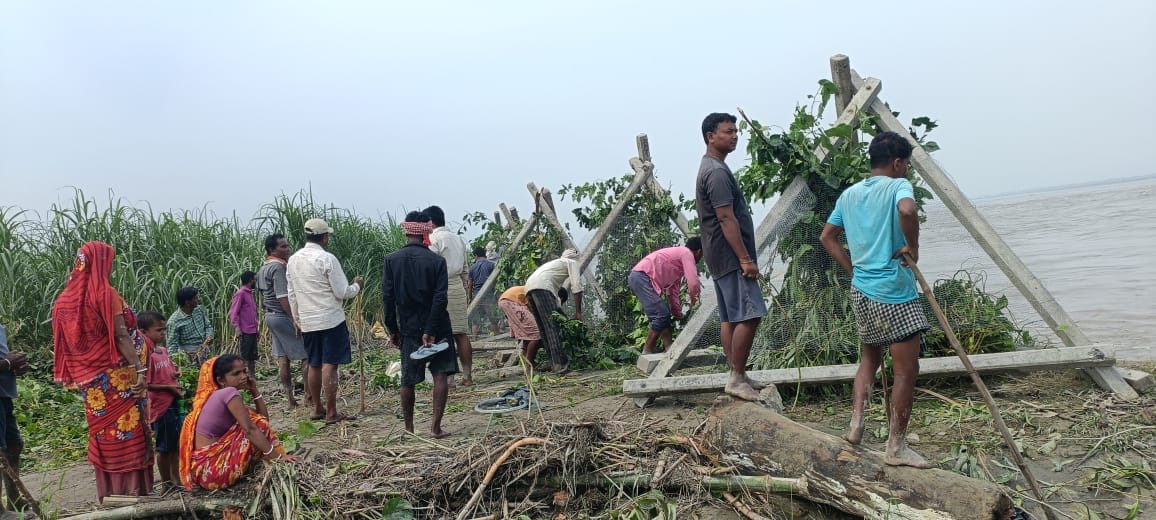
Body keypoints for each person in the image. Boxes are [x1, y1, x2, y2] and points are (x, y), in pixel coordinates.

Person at [820, 131, 932, 469]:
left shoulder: (850, 194)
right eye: (907, 165)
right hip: (894, 292)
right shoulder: (898, 186)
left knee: (870, 360)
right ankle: (896, 446)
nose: (907, 171)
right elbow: (908, 210)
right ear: (898, 163)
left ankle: (855, 426)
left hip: (863, 290)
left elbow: (827, 237)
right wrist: (912, 246)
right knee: (906, 370)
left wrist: (852, 268)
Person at [51, 241, 153, 501]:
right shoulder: (105, 293)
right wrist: (139, 369)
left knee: (104, 433)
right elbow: (120, 335)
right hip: (118, 377)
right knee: (129, 432)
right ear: (101, 263)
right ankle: (132, 492)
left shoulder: (64, 300)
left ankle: (109, 492)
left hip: (92, 385)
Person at [696, 112, 767, 402]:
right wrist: (745, 259)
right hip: (729, 255)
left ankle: (736, 373)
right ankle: (736, 377)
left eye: (736, 130)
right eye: (728, 131)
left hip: (718, 254)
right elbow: (726, 218)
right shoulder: (715, 172)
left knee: (730, 317)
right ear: (711, 137)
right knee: (751, 314)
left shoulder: (712, 168)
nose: (735, 135)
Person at [382, 211, 459, 438]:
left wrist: (393, 329)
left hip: (408, 326)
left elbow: (388, 298)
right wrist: (431, 330)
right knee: (440, 374)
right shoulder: (437, 261)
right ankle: (435, 427)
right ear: (427, 230)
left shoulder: (392, 260)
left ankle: (409, 428)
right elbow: (440, 298)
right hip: (437, 325)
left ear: (406, 231)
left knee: (408, 378)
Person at [178, 354, 296, 490]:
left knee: (257, 423)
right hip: (212, 471)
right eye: (236, 373)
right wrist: (278, 458)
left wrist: (254, 390)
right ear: (221, 380)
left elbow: (264, 420)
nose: (244, 376)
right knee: (255, 426)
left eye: (244, 371)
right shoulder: (229, 392)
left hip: (202, 472)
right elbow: (253, 428)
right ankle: (276, 461)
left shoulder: (218, 395)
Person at [286, 218, 363, 424]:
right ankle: (331, 412)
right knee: (330, 365)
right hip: (330, 319)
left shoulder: (293, 260)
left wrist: (297, 319)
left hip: (308, 321)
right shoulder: (326, 259)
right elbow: (342, 291)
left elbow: (291, 293)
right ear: (325, 237)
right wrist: (356, 286)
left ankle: (317, 407)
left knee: (314, 363)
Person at [257, 233, 309, 409]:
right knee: (306, 355)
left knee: (283, 357)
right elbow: (282, 296)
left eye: (287, 246)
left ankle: (290, 399)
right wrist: (294, 318)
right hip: (282, 315)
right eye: (283, 247)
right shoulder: (279, 268)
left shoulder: (263, 268)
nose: (287, 249)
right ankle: (309, 397)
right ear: (272, 249)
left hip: (270, 316)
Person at [424, 205, 474, 386]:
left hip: (440, 288)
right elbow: (466, 271)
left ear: (430, 222)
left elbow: (429, 268)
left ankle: (449, 379)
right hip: (457, 287)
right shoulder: (458, 239)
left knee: (442, 335)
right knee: (461, 333)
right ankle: (467, 376)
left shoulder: (432, 239)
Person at [628, 237, 704, 354]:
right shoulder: (686, 253)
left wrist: (677, 312)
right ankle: (647, 352)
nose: (701, 258)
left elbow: (672, 292)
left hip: (640, 278)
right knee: (661, 315)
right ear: (699, 251)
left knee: (664, 316)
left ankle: (670, 350)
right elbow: (693, 283)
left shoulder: (678, 264)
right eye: (702, 255)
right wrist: (695, 302)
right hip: (641, 277)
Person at [139, 311, 183, 488]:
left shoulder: (163, 351)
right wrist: (168, 388)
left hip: (173, 403)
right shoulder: (146, 357)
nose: (163, 333)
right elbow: (147, 384)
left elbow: (170, 368)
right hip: (160, 408)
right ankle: (167, 483)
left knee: (175, 444)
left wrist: (177, 372)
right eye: (158, 330)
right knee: (164, 447)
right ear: (143, 332)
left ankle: (176, 478)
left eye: (164, 329)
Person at [524, 249, 584, 373]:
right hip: (542, 287)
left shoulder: (554, 265)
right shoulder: (572, 262)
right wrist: (578, 313)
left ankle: (552, 362)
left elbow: (555, 306)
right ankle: (560, 365)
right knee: (552, 327)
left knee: (544, 329)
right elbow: (577, 287)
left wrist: (565, 318)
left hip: (529, 287)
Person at [498, 285, 568, 367]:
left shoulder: (541, 289)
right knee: (537, 333)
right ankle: (528, 364)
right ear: (561, 298)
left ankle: (525, 361)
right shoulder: (547, 294)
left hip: (507, 300)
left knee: (529, 334)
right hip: (511, 301)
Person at [0, 323, 30, 511]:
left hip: (4, 393)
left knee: (13, 446)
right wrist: (7, 363)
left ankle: (14, 500)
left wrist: (15, 366)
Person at [167, 287, 214, 366]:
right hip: (189, 354)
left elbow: (208, 326)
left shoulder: (199, 310)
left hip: (205, 348)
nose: (198, 300)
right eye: (195, 298)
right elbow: (172, 345)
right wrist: (174, 364)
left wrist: (209, 336)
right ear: (187, 302)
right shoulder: (174, 321)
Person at [228, 271, 260, 377]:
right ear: (250, 280)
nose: (255, 281)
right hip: (245, 331)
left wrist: (257, 329)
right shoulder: (240, 293)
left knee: (252, 357)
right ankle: (242, 378)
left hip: (252, 330)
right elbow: (233, 312)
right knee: (244, 357)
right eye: (254, 279)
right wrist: (237, 327)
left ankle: (252, 377)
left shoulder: (250, 293)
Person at [467, 246, 501, 338]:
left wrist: (470, 298)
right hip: (489, 295)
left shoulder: (472, 267)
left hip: (476, 295)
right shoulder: (491, 265)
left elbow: (470, 285)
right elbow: (495, 281)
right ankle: (498, 339)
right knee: (493, 319)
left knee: (475, 321)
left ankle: (475, 340)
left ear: (476, 255)